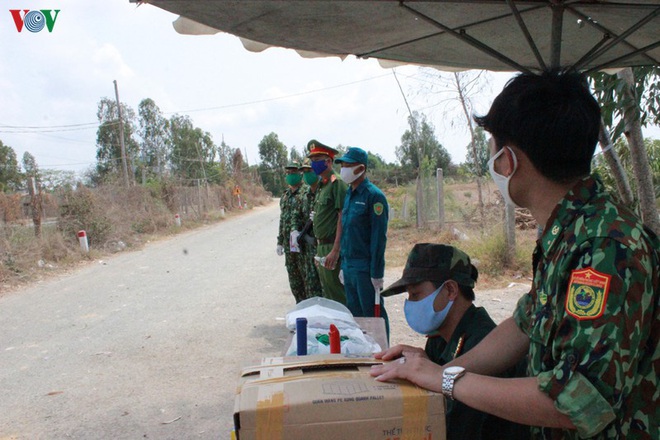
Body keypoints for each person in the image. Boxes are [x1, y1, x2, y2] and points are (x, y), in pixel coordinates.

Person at [370, 70, 659, 439]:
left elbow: (576, 400)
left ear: (508, 160)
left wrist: (445, 380)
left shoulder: (604, 246)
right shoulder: (571, 231)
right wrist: (439, 370)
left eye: (491, 147)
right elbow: (524, 326)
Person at [376, 243, 528, 440]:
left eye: (415, 294)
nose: (410, 304)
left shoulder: (483, 345)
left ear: (450, 290)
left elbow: (454, 427)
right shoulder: (441, 336)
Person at [335, 147, 390, 331]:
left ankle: (381, 352)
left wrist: (377, 273)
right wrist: (343, 264)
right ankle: (361, 355)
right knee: (356, 318)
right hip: (349, 266)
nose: (344, 169)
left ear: (361, 168)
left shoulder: (374, 197)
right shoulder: (349, 194)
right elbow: (346, 232)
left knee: (373, 317)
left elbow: (378, 238)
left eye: (348, 165)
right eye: (342, 165)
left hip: (365, 269)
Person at [307, 139, 347, 305]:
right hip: (322, 247)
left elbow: (342, 218)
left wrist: (335, 250)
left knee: (338, 296)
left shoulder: (336, 183)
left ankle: (344, 329)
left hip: (332, 247)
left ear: (328, 161)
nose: (313, 164)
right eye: (312, 161)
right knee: (329, 295)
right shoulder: (323, 186)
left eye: (317, 161)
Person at [276, 160, 307, 303]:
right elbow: (282, 220)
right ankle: (299, 308)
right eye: (288, 173)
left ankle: (309, 311)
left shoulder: (306, 193)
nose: (290, 175)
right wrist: (280, 242)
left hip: (304, 246)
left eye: (293, 172)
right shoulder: (285, 195)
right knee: (294, 282)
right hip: (289, 247)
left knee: (307, 281)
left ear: (300, 173)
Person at [297, 157, 323, 299]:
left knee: (325, 290)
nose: (307, 174)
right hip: (308, 251)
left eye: (309, 170)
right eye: (304, 172)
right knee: (311, 290)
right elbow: (300, 219)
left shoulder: (324, 190)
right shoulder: (305, 196)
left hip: (323, 249)